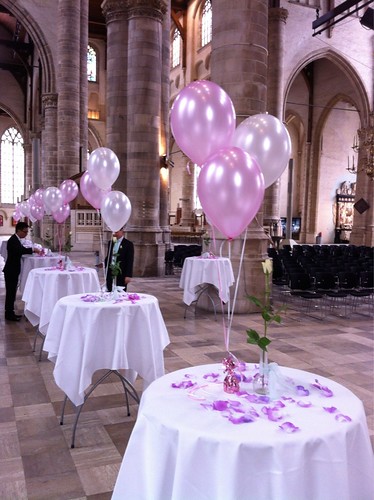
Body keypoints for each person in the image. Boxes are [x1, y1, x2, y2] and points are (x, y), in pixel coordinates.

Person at [3, 221, 40, 321]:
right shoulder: (13, 240)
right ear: (19, 230)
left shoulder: (16, 239)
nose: (26, 234)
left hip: (13, 270)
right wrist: (33, 250)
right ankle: (9, 314)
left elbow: (22, 248)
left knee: (12, 292)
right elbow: (20, 251)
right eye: (25, 232)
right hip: (10, 271)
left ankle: (10, 312)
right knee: (10, 292)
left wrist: (32, 249)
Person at [104, 227, 134, 292]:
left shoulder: (128, 244)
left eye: (117, 232)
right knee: (109, 289)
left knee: (120, 292)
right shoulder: (111, 242)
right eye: (114, 232)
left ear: (122, 231)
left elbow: (130, 260)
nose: (115, 234)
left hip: (121, 272)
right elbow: (109, 255)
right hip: (110, 271)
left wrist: (128, 275)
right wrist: (104, 263)